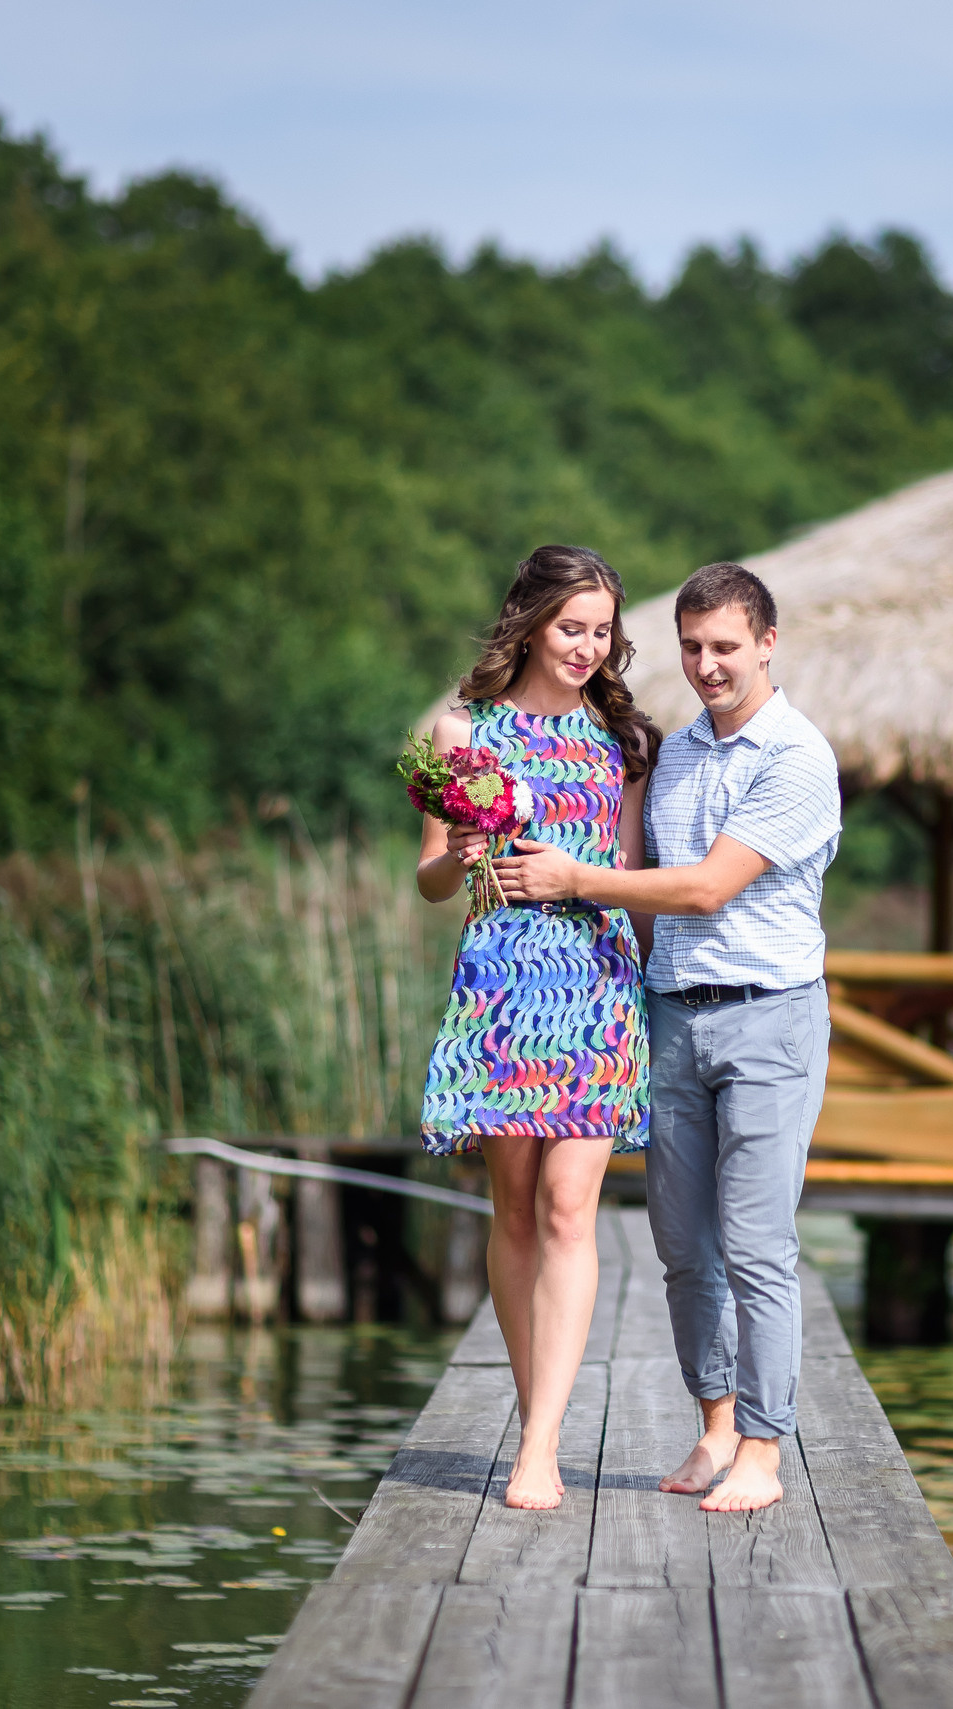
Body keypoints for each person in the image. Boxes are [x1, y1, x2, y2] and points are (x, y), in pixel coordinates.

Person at [495, 562, 839, 1513]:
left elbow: (703, 887)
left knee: (758, 1243)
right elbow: (654, 897)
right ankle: (717, 1425)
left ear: (768, 643)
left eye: (725, 647)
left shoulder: (798, 757)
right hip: (673, 1015)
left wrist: (574, 881)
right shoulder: (677, 751)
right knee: (683, 1243)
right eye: (691, 647)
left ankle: (764, 1453)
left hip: (770, 1016)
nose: (707, 665)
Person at [415, 545, 658, 1511]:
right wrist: (462, 852)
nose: (589, 648)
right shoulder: (461, 728)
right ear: (529, 621)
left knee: (568, 1207)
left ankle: (541, 1446)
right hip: (503, 986)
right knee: (512, 1211)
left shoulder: (624, 736)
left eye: (602, 632)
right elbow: (434, 877)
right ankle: (534, 1413)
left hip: (598, 984)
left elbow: (633, 873)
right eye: (573, 628)